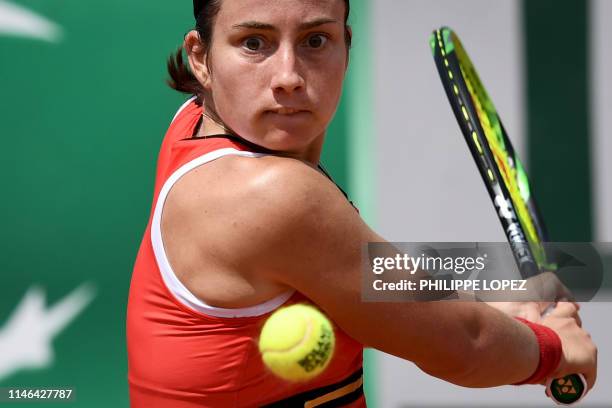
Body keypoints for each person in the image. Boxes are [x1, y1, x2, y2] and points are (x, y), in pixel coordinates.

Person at [126, 0, 597, 407]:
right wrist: (554, 350)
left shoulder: (195, 123)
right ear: (201, 58)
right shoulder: (271, 194)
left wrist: (497, 304)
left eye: (315, 40)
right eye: (254, 43)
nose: (288, 76)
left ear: (346, 47)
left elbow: (370, 278)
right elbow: (463, 345)